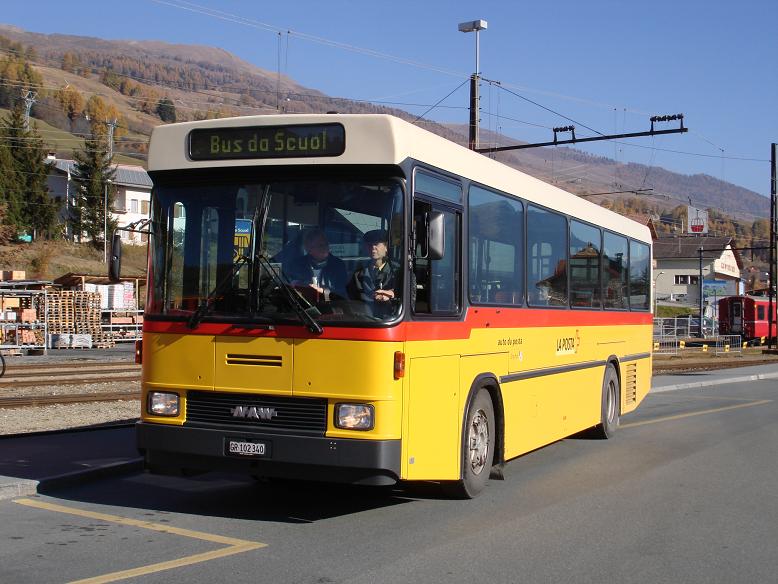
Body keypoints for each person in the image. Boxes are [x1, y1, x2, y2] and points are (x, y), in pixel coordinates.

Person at [286, 228, 348, 301]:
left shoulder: (338, 265)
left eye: (326, 244)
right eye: (321, 245)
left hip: (331, 307)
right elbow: (291, 288)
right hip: (304, 307)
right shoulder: (298, 265)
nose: (325, 247)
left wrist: (322, 291)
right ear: (309, 249)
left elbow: (341, 294)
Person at [349, 229, 399, 316]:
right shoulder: (358, 274)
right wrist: (325, 292)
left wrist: (393, 295)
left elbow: (409, 297)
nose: (372, 247)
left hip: (390, 320)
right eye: (369, 245)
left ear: (386, 247)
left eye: (376, 244)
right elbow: (347, 296)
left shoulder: (397, 272)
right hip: (364, 320)